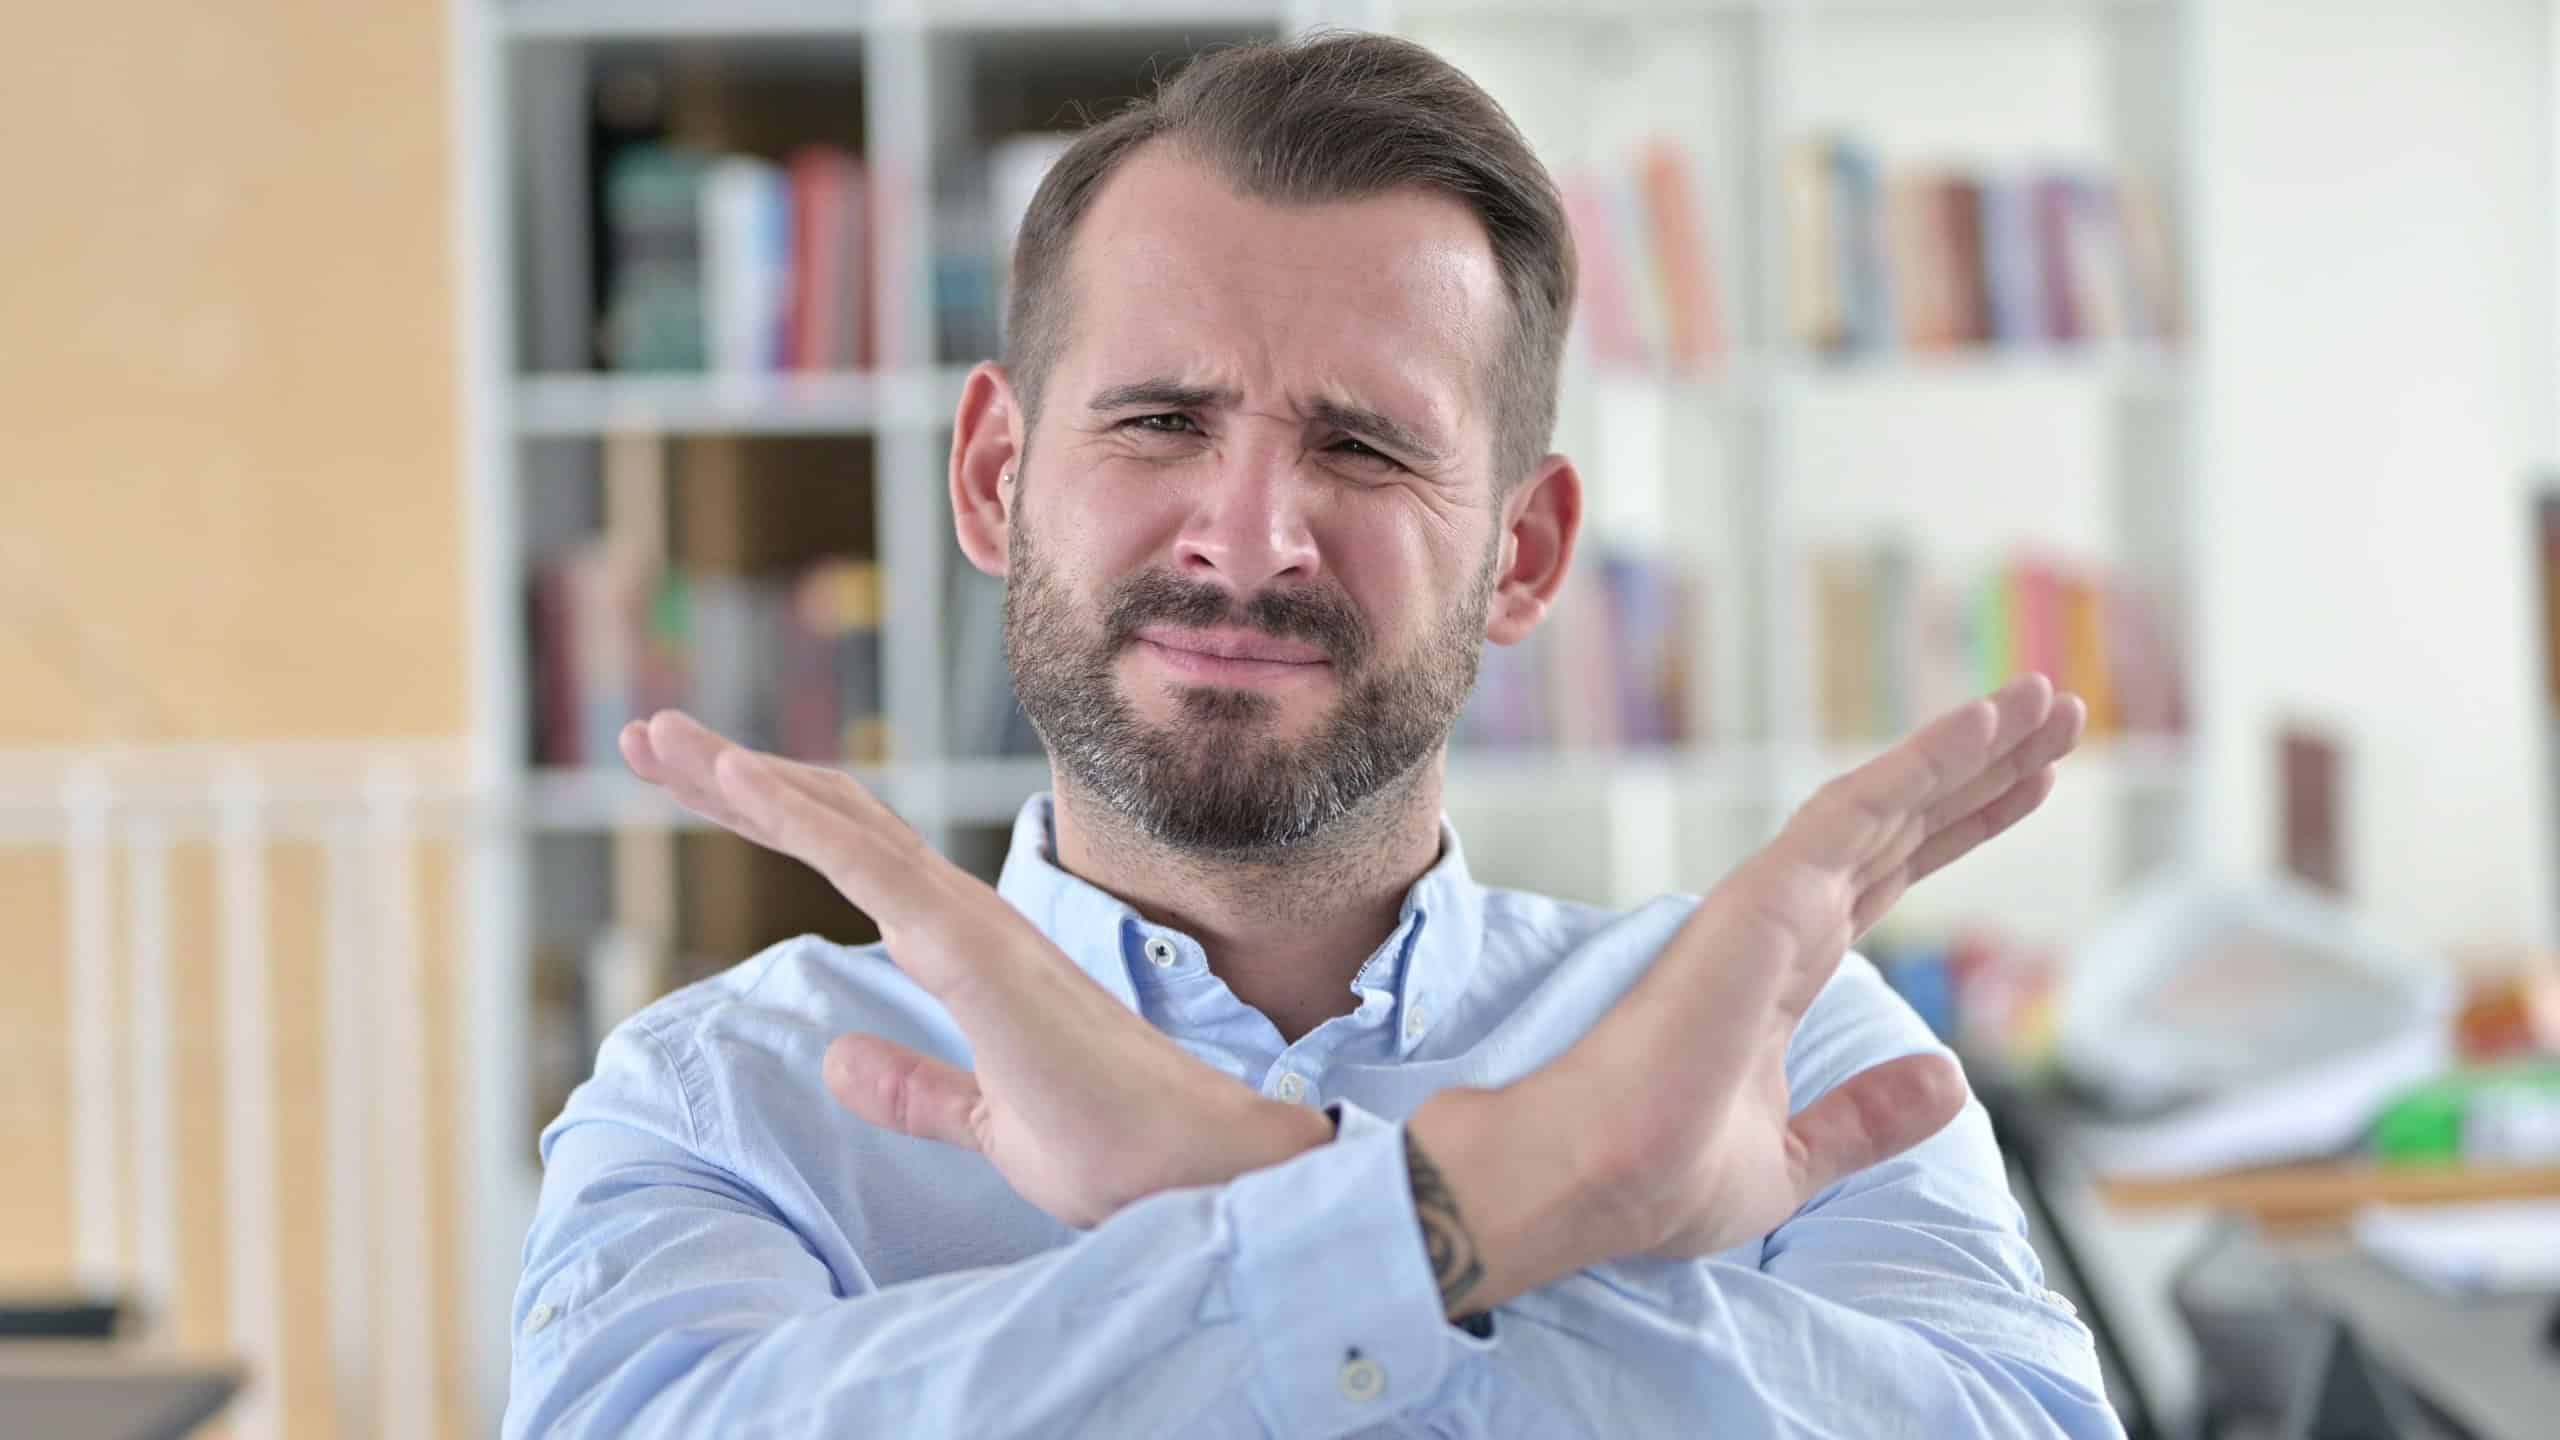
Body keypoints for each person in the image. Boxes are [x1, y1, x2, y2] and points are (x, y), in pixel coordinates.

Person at [503, 31, 2118, 1440]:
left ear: (1528, 553)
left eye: (1362, 447)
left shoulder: (1786, 1046)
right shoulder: (731, 1099)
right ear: (996, 474)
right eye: (1160, 421)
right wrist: (1514, 1198)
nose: (1253, 537)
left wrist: (1251, 1180)